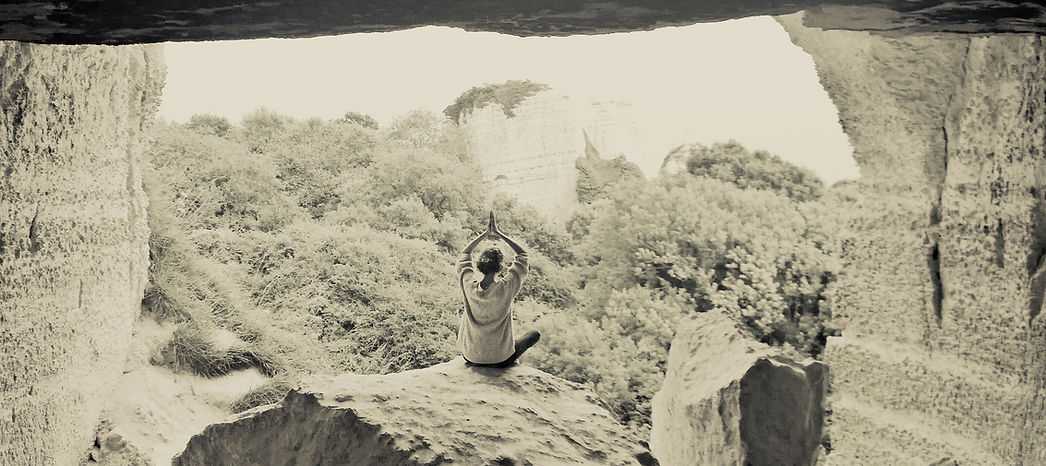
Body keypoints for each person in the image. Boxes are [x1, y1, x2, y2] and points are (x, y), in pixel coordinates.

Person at [456, 211, 540, 368]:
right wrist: (499, 234)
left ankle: (478, 353)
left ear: (479, 267)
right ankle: (499, 357)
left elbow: (465, 254)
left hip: (471, 357)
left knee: (463, 321)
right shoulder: (506, 288)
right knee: (534, 334)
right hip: (501, 359)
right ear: (500, 268)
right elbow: (522, 255)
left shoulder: (469, 286)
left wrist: (484, 234)